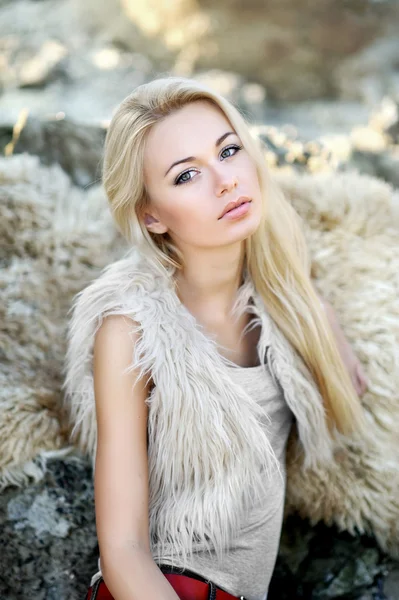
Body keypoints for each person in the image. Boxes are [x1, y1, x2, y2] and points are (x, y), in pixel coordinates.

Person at [63, 76, 368, 600]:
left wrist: (302, 289)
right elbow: (123, 551)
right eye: (186, 176)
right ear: (150, 215)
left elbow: (350, 387)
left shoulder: (279, 301)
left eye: (229, 150)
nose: (225, 180)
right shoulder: (130, 330)